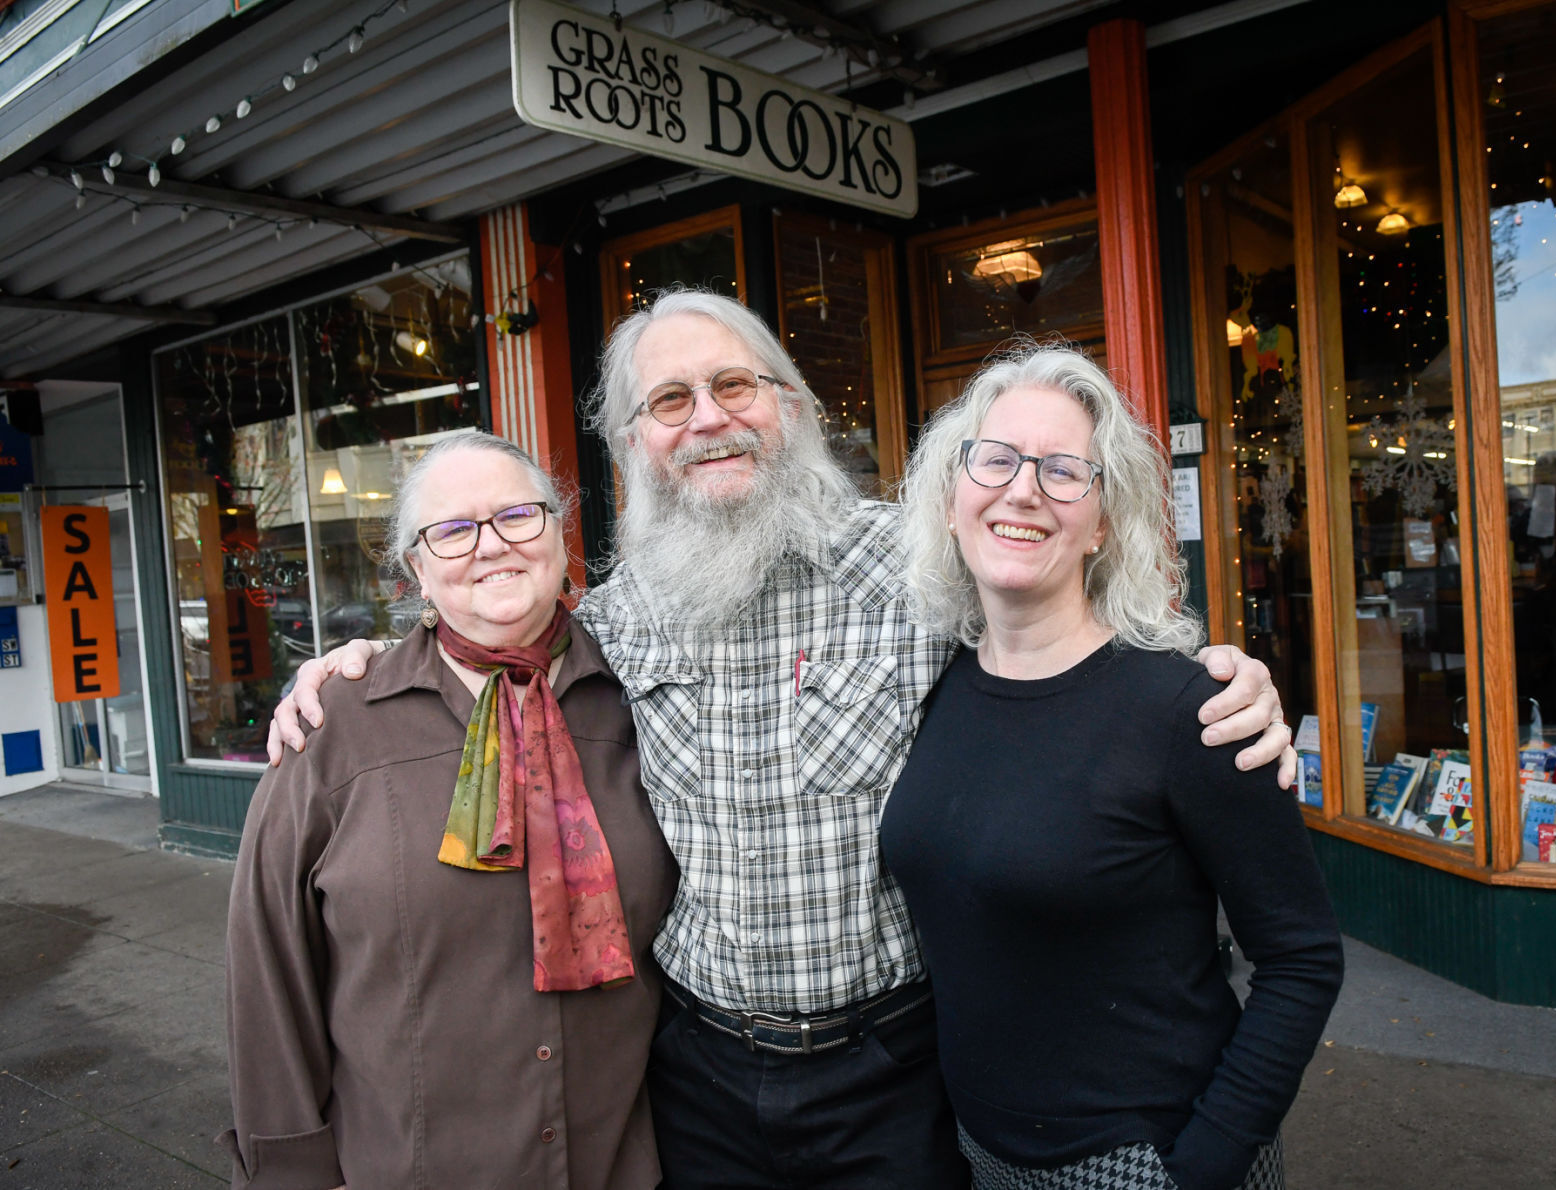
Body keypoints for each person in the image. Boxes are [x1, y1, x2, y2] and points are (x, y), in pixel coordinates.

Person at [268, 289, 1297, 1189]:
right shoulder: (613, 625)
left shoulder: (919, 572)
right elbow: (487, 626)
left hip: (893, 1072)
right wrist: (353, 666)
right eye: (669, 401)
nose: (707, 418)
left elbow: (1070, 625)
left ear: (791, 406)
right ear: (632, 441)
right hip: (698, 1075)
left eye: (735, 385)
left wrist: (1223, 674)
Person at [880, 343, 1343, 1190]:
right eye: (996, 460)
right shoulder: (931, 688)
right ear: (951, 499)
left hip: (1144, 1159)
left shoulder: (1185, 711)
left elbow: (1303, 957)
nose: (1022, 488)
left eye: (1063, 471)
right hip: (979, 1153)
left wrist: (1202, 1166)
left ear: (1099, 524)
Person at [224, 432, 677, 1190]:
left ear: (560, 531)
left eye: (516, 516)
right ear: (417, 570)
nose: (490, 546)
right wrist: (286, 1173)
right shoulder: (334, 728)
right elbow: (267, 973)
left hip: (621, 1165)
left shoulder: (646, 696)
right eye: (454, 530)